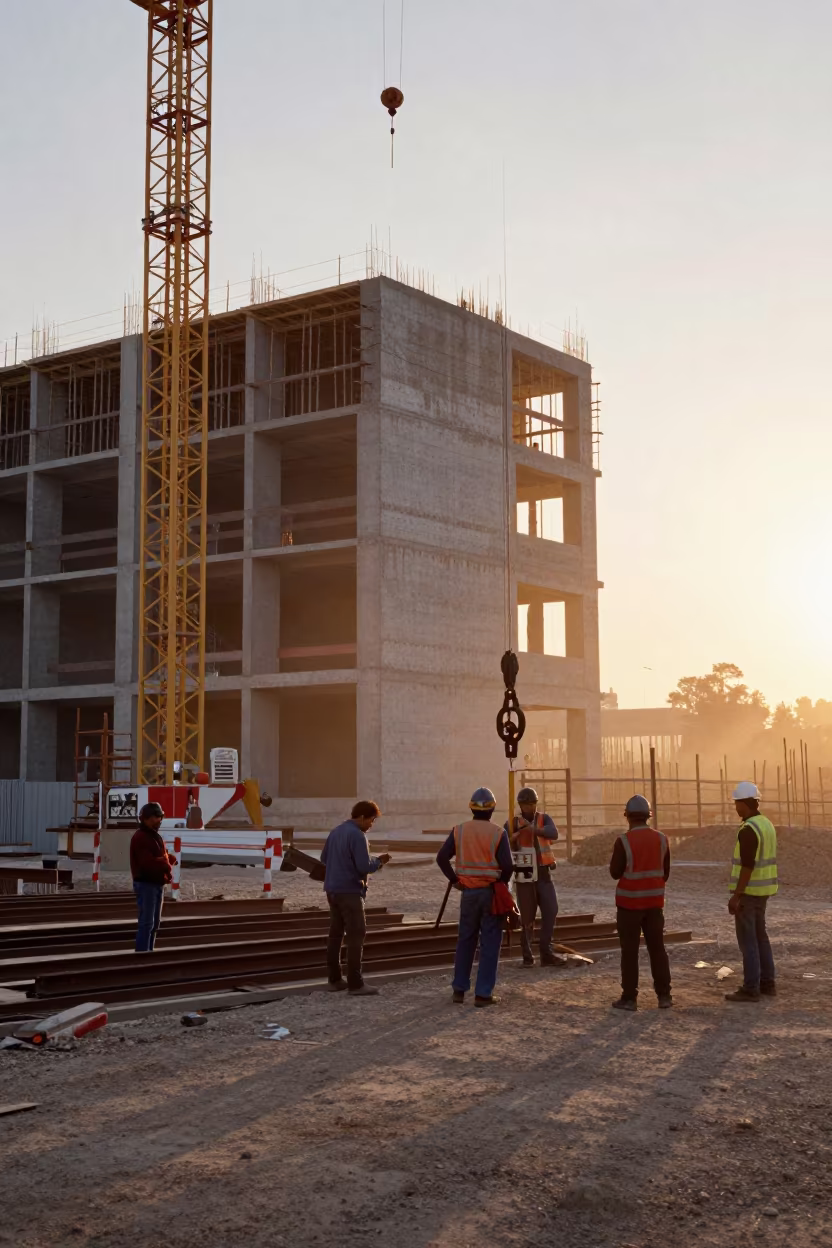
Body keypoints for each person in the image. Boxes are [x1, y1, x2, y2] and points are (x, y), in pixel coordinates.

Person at [436, 787, 514, 1008]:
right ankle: (483, 994)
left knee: (466, 940)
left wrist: (454, 880)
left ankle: (459, 990)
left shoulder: (459, 831)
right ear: (493, 809)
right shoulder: (498, 833)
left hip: (468, 894)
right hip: (490, 894)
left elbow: (442, 858)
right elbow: (508, 866)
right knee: (490, 943)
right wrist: (500, 885)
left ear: (471, 808)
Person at [320, 800, 391, 996]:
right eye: (371, 820)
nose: (371, 824)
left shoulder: (335, 832)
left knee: (335, 935)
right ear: (361, 817)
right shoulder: (358, 836)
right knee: (356, 935)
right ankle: (355, 983)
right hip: (350, 892)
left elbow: (324, 859)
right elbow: (363, 866)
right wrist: (378, 861)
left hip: (332, 890)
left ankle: (334, 980)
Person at [609, 794, 672, 1011]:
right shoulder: (662, 839)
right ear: (648, 816)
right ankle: (664, 996)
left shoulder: (623, 841)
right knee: (657, 949)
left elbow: (615, 873)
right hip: (655, 905)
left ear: (628, 817)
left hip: (629, 906)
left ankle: (629, 998)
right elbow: (666, 873)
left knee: (629, 952)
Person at [725, 781, 778, 1002]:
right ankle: (767, 983)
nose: (735, 807)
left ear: (745, 804)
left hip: (748, 893)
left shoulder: (749, 829)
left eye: (737, 803)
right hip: (763, 891)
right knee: (760, 937)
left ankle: (751, 987)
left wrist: (737, 895)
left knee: (748, 941)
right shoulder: (766, 824)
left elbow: (747, 865)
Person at [504, 785, 560, 967]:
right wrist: (511, 840)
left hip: (543, 873)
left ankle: (546, 952)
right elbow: (503, 843)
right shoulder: (512, 823)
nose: (529, 807)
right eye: (525, 804)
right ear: (520, 805)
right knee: (527, 918)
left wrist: (534, 830)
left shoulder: (544, 819)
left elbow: (554, 833)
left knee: (551, 910)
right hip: (525, 876)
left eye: (531, 804)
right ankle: (527, 957)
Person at [129, 801, 176, 953]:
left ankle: (148, 953)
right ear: (147, 819)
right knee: (147, 923)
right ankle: (143, 955)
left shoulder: (153, 836)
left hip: (156, 884)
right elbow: (146, 863)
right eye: (156, 817)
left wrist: (168, 858)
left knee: (154, 924)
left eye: (160, 817)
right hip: (146, 884)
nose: (159, 820)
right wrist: (165, 863)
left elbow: (158, 856)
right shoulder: (141, 837)